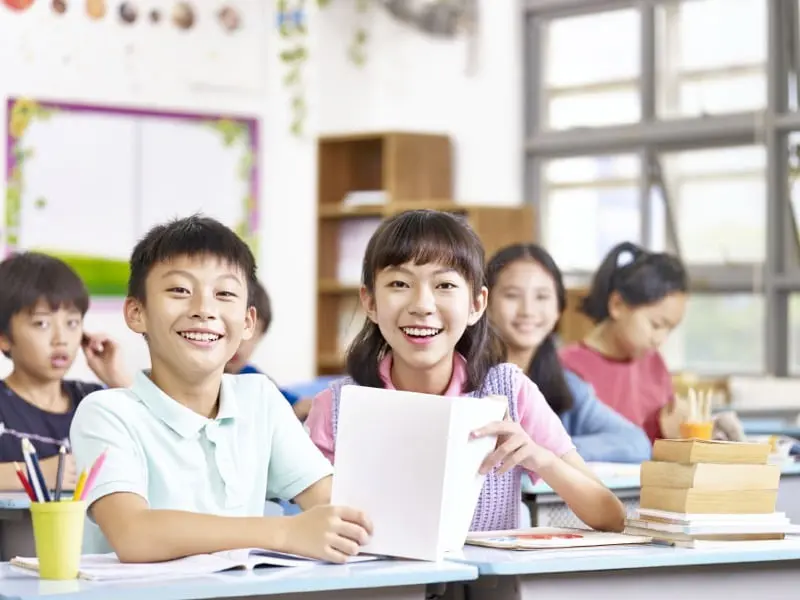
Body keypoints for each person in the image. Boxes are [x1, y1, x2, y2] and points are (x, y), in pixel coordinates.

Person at [70, 215, 372, 563]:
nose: (204, 310)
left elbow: (332, 501)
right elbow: (134, 534)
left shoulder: (260, 398)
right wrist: (286, 532)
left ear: (247, 322)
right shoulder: (106, 413)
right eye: (180, 290)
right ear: (137, 312)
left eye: (225, 293)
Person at [306, 209, 625, 533]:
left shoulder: (511, 392)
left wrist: (541, 458)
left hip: (491, 584)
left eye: (444, 285)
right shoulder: (335, 408)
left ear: (476, 304)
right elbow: (313, 526)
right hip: (383, 584)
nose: (422, 305)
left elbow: (611, 516)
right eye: (400, 283)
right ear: (370, 302)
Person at [486, 243, 651, 463]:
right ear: (484, 303)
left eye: (542, 297)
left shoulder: (568, 387)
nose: (527, 311)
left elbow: (635, 443)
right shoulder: (465, 378)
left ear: (558, 309)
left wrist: (550, 449)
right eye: (512, 295)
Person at [0, 252, 129, 491]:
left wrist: (119, 380)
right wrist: (35, 474)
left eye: (72, 323)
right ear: (4, 338)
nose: (61, 340)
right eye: (42, 324)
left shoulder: (95, 400)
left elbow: (170, 451)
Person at [559, 242, 688, 443]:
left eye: (669, 330)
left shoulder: (654, 364)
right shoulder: (568, 367)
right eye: (655, 325)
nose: (660, 340)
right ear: (617, 305)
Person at [224, 279, 311, 420]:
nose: (240, 342)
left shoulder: (256, 380)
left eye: (251, 330)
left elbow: (296, 405)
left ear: (261, 335)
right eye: (232, 327)